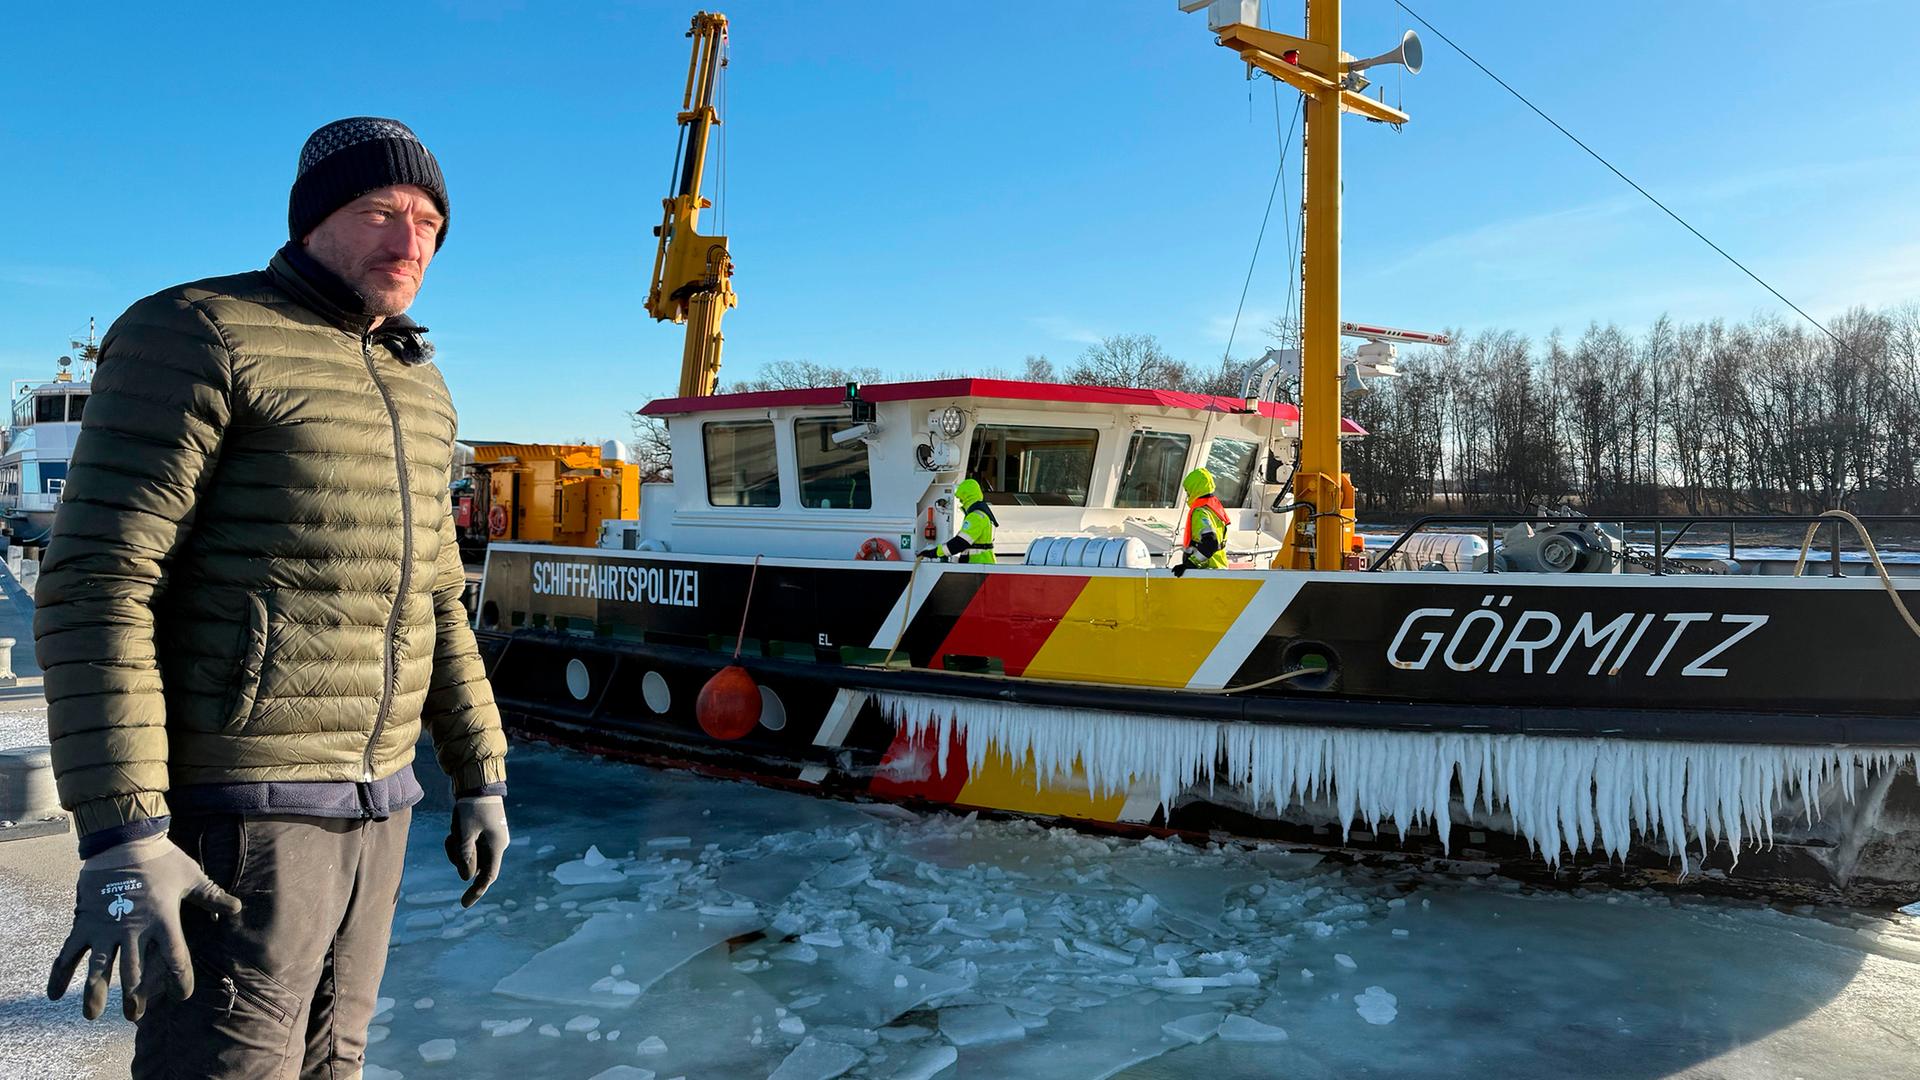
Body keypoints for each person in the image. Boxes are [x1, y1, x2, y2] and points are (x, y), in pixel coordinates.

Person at [34, 116, 510, 1079]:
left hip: (380, 804)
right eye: (379, 211)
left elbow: (436, 600)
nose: (409, 241)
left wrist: (481, 774)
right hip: (242, 813)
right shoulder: (197, 331)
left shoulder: (419, 385)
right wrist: (125, 830)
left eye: (429, 222)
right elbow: (100, 579)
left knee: (336, 1060)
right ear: (312, 220)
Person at [918, 478, 997, 563]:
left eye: (961, 500)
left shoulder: (975, 517)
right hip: (981, 563)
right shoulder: (981, 514)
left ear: (966, 498)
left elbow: (959, 543)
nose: (961, 502)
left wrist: (935, 552)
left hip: (978, 563)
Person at [1172, 467, 1231, 575]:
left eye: (1188, 491)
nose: (1187, 495)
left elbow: (1211, 543)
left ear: (1195, 489)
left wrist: (1189, 564)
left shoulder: (1200, 512)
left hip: (1206, 572)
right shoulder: (1214, 508)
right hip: (1219, 569)